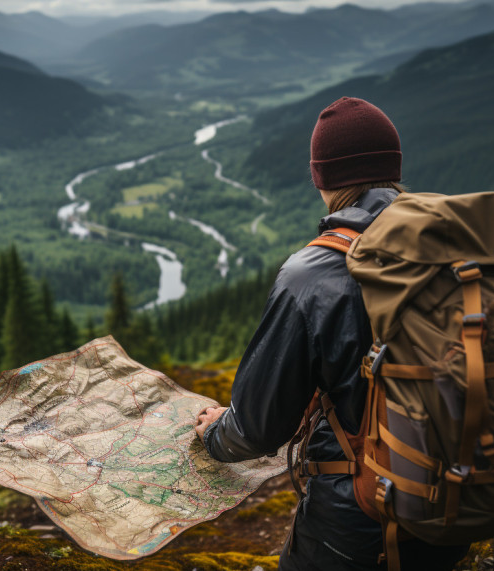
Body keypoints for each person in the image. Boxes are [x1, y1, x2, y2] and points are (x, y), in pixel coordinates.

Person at [194, 96, 469, 570]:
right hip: (456, 502)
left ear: (321, 176)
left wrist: (211, 435)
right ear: (393, 167)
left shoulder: (313, 273)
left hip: (359, 522)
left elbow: (258, 429)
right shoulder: (453, 248)